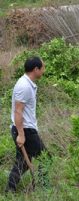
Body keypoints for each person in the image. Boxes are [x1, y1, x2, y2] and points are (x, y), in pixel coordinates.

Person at [5, 56, 47, 192]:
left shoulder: (27, 83)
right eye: (43, 68)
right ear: (36, 69)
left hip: (23, 129)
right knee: (45, 159)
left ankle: (9, 190)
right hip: (26, 130)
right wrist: (21, 135)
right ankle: (44, 189)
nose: (44, 71)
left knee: (23, 163)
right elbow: (18, 111)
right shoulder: (24, 86)